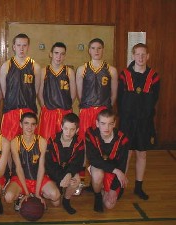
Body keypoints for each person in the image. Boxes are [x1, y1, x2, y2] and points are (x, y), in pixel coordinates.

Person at [118, 43, 160, 200]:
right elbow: (120, 100)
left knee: (142, 154)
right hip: (127, 122)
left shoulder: (154, 76)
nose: (141, 57)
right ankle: (121, 187)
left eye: (144, 54)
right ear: (133, 55)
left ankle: (138, 187)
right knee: (126, 154)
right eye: (138, 54)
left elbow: (155, 98)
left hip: (144, 123)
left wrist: (144, 115)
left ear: (148, 56)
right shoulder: (124, 75)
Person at [75, 38, 118, 191]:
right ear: (89, 50)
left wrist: (103, 110)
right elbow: (80, 95)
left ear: (103, 49)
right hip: (87, 111)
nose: (96, 51)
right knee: (85, 146)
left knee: (103, 146)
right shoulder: (82, 69)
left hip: (103, 114)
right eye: (93, 48)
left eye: (99, 48)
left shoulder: (111, 70)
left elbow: (113, 95)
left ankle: (100, 182)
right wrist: (89, 108)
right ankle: (82, 181)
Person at [4, 112, 61, 211]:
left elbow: (41, 168)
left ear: (36, 126)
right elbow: (18, 168)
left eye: (32, 124)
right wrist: (26, 193)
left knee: (56, 197)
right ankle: (22, 196)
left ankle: (38, 194)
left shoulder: (42, 141)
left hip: (38, 177)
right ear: (21, 124)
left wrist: (37, 194)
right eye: (26, 123)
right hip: (20, 178)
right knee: (8, 197)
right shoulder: (14, 142)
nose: (29, 127)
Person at [85, 109, 129, 212]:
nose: (106, 128)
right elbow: (93, 160)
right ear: (97, 123)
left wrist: (113, 189)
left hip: (114, 173)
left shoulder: (122, 139)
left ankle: (103, 188)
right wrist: (116, 171)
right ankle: (98, 196)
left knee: (109, 205)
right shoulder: (90, 134)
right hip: (102, 168)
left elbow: (122, 165)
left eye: (110, 124)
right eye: (103, 123)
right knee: (97, 174)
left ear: (114, 124)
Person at [0, 33, 41, 141]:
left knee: (29, 142)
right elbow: (4, 91)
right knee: (8, 142)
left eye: (24, 45)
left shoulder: (35, 67)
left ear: (28, 47)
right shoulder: (6, 65)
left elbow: (35, 90)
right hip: (11, 110)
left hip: (28, 110)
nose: (21, 48)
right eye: (19, 45)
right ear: (14, 47)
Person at [45, 113, 84, 214]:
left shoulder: (79, 142)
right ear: (61, 126)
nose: (68, 132)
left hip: (68, 170)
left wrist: (69, 174)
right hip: (54, 172)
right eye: (66, 128)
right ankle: (57, 189)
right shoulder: (52, 140)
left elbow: (77, 163)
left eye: (72, 129)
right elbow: (49, 165)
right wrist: (61, 178)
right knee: (55, 202)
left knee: (76, 179)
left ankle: (66, 200)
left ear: (77, 130)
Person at [38, 42, 76, 141]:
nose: (59, 56)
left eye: (62, 54)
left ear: (65, 56)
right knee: (47, 141)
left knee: (65, 141)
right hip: (48, 113)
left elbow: (73, 94)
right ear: (51, 54)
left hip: (65, 112)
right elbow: (40, 93)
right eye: (56, 53)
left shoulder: (69, 72)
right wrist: (44, 107)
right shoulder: (44, 71)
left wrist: (66, 106)